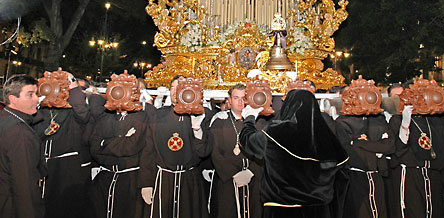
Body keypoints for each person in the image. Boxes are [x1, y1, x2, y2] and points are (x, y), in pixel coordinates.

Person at [239, 89, 349, 218]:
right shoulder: (328, 138)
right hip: (318, 211)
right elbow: (341, 180)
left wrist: (249, 118)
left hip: (281, 210)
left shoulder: (277, 132)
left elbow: (247, 141)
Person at [138, 75, 210, 218]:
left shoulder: (202, 115)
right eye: (172, 87)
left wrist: (197, 129)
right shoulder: (157, 116)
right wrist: (146, 183)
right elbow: (148, 150)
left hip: (189, 181)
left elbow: (204, 152)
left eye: (179, 87)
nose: (174, 91)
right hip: (163, 180)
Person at [33, 72, 91, 218]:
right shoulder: (41, 108)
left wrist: (73, 85)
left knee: (62, 205)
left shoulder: (71, 108)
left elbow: (83, 113)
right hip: (40, 163)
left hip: (64, 167)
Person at [89, 77, 148, 218]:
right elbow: (95, 148)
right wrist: (121, 139)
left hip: (129, 181)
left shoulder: (140, 118)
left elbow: (131, 147)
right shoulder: (105, 117)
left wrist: (106, 143)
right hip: (105, 179)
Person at [208, 84, 263, 218]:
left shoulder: (259, 122)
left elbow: (264, 152)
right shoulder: (219, 122)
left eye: (243, 98)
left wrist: (252, 171)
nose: (240, 102)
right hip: (228, 182)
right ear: (229, 100)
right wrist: (233, 173)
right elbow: (215, 153)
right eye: (236, 98)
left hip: (253, 181)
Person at [0, 74, 46, 218]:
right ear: (13, 99)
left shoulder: (5, 118)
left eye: (36, 94)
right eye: (30, 95)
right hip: (13, 207)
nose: (36, 99)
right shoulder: (21, 134)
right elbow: (25, 186)